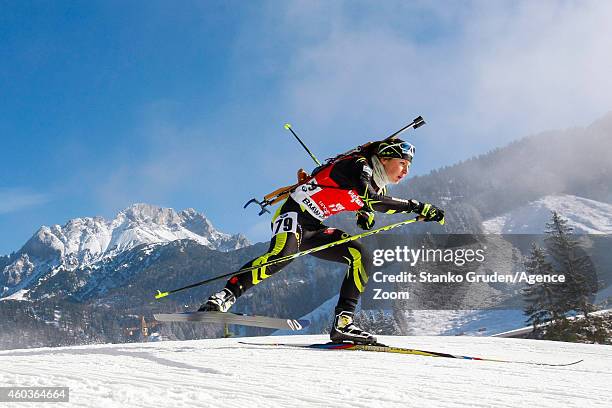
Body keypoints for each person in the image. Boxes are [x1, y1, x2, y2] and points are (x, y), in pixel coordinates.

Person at [198, 138, 444, 344]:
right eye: (402, 163)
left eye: (409, 166)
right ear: (384, 159)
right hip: (294, 215)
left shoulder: (374, 184)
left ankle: (344, 323)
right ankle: (223, 297)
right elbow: (372, 200)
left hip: (314, 228)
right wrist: (416, 206)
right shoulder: (359, 166)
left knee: (361, 257)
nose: (405, 171)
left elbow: (367, 203)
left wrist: (364, 215)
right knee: (282, 256)